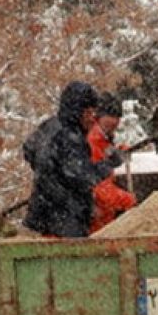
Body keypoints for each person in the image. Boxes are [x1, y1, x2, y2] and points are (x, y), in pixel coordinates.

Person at [23, 82, 123, 238]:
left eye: (94, 113)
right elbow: (82, 176)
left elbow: (28, 149)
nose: (92, 119)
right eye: (89, 113)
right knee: (71, 260)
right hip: (64, 221)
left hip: (41, 216)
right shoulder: (70, 138)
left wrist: (49, 174)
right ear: (78, 112)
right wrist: (108, 164)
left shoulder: (50, 125)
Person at [87, 93, 137, 233]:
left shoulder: (104, 138)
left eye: (117, 117)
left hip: (105, 216)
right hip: (96, 218)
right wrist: (126, 200)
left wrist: (121, 150)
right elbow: (96, 185)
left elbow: (107, 156)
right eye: (111, 116)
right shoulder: (92, 141)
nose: (115, 121)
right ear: (100, 116)